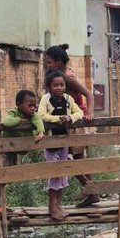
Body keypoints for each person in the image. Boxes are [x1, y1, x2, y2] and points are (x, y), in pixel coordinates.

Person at [44, 44, 99, 207]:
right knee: (71, 157)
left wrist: (89, 112)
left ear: (59, 62)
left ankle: (91, 191)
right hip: (65, 122)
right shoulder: (57, 76)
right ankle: (91, 191)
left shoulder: (67, 77)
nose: (47, 66)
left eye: (49, 62)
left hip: (74, 122)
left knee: (69, 157)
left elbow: (88, 94)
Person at [0, 90, 46, 214]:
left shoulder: (33, 115)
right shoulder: (13, 112)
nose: (33, 108)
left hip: (15, 150)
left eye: (34, 105)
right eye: (29, 105)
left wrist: (40, 132)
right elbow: (6, 122)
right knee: (4, 175)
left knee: (9, 176)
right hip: (5, 149)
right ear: (19, 104)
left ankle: (1, 203)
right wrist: (20, 121)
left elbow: (38, 121)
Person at [38, 71, 84, 221]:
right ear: (49, 87)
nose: (59, 88)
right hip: (51, 143)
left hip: (64, 141)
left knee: (62, 172)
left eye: (62, 85)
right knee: (54, 173)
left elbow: (80, 112)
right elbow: (41, 116)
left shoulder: (68, 99)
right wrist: (58, 119)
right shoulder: (46, 99)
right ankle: (52, 206)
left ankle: (59, 205)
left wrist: (70, 117)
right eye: (55, 85)